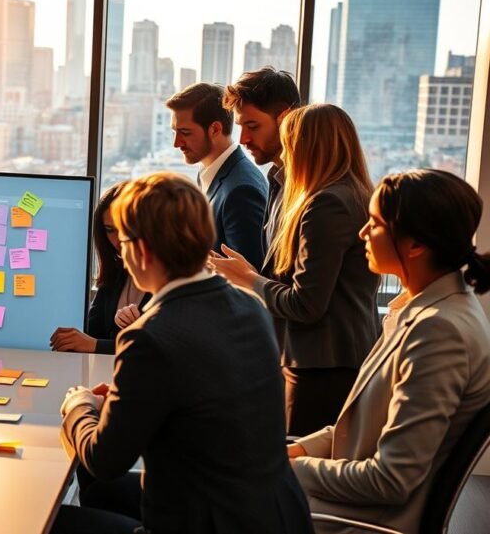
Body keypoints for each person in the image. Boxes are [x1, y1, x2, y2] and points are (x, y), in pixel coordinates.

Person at [53, 173, 313, 534]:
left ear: (141, 250)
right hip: (274, 515)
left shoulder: (149, 337)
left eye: (123, 241)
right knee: (100, 493)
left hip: (203, 521)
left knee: (47, 520)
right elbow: (201, 396)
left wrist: (78, 405)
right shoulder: (250, 306)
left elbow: (104, 460)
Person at [289, 169, 490, 533]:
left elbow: (391, 479)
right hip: (351, 503)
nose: (362, 233)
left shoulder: (439, 331)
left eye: (375, 223)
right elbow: (361, 431)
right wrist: (297, 451)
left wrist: (290, 470)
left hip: (360, 521)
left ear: (415, 245)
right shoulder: (423, 310)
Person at [212, 104, 379, 437]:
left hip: (320, 366)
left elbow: (306, 304)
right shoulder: (358, 195)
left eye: (289, 147)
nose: (284, 158)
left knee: (295, 471)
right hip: (343, 359)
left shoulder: (324, 205)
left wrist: (249, 279)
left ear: (308, 149)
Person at [166, 82, 267, 269]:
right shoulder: (212, 173)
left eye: (185, 133)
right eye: (174, 132)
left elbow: (248, 280)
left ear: (215, 129)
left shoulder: (241, 191)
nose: (176, 143)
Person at [50, 182, 148, 354]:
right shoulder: (117, 271)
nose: (118, 239)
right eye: (110, 229)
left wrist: (95, 345)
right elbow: (92, 332)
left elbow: (168, 352)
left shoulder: (177, 278)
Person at [222, 66, 301, 252]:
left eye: (253, 126)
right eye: (241, 127)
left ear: (285, 118)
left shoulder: (310, 191)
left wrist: (251, 279)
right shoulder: (278, 181)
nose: (243, 139)